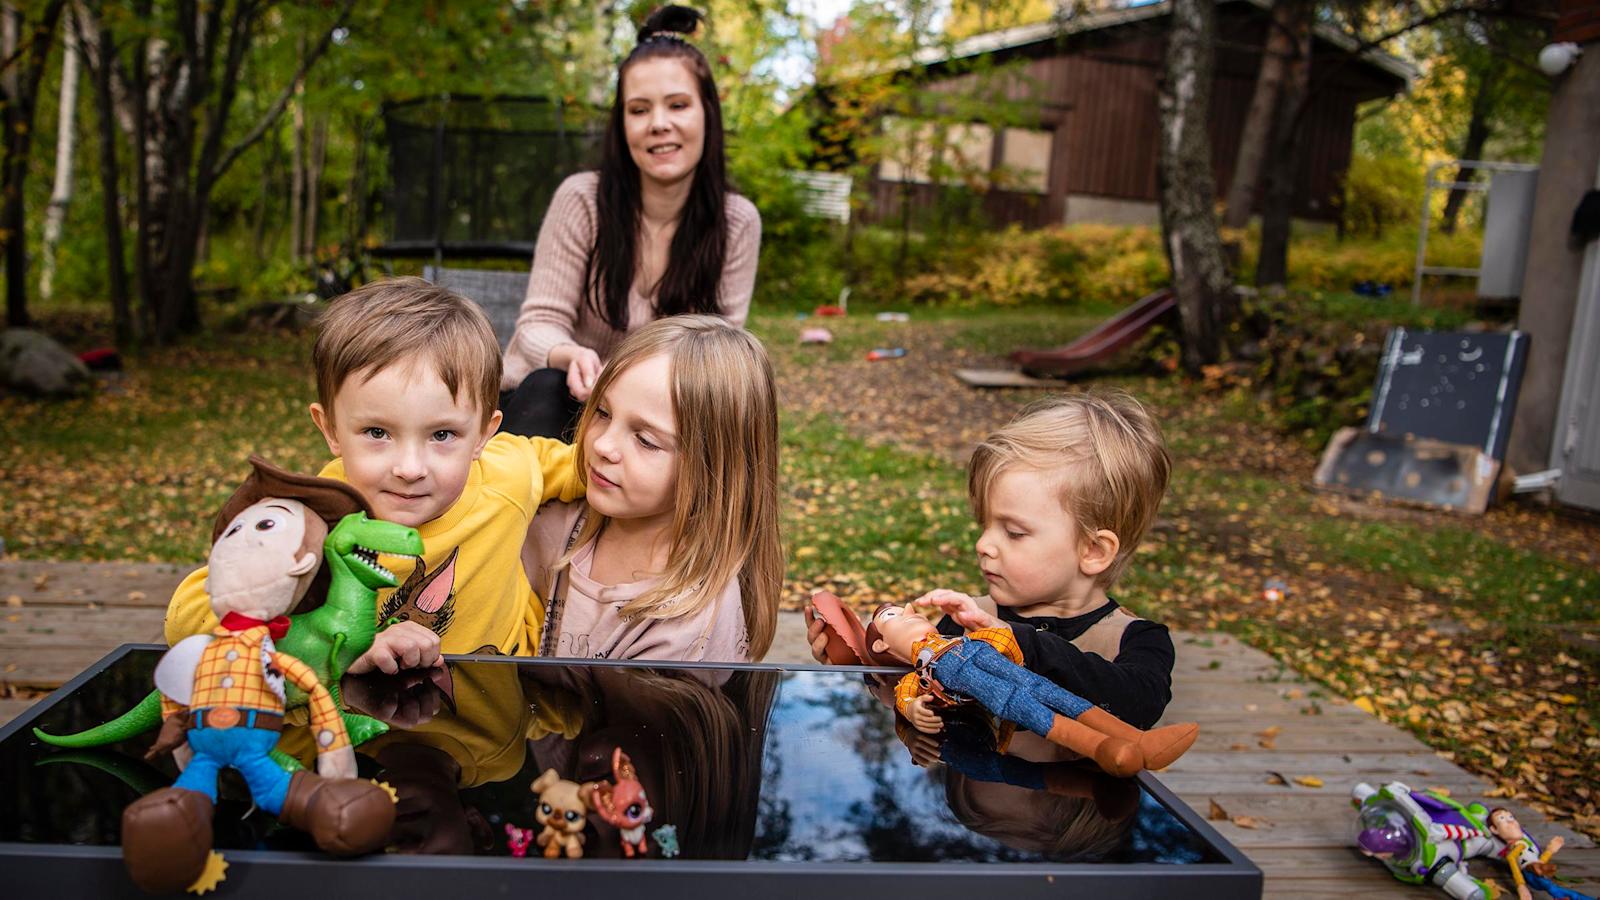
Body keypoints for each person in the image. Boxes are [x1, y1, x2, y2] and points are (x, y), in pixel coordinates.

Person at [165, 277, 585, 668]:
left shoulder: (508, 470)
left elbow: (596, 467)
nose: (409, 468)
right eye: (377, 432)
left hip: (498, 717)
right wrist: (339, 646)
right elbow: (187, 617)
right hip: (363, 729)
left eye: (442, 434)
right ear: (330, 429)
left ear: (483, 435)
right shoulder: (314, 519)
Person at [806, 391, 1178, 729]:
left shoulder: (1135, 641)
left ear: (1093, 551)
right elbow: (920, 684)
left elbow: (1137, 704)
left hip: (1084, 803)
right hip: (967, 801)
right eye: (984, 525)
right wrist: (865, 659)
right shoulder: (963, 623)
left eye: (1014, 532)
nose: (984, 544)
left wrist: (1019, 645)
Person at [500, 5, 761, 439]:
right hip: (555, 399)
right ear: (622, 126)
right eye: (639, 110)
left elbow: (719, 349)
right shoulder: (581, 199)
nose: (659, 124)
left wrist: (634, 389)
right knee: (548, 388)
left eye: (677, 105)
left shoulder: (737, 223)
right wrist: (570, 355)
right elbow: (538, 323)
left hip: (655, 411)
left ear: (707, 115)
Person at [522, 315, 781, 662]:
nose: (603, 446)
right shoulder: (549, 516)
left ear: (713, 468)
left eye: (645, 440)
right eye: (601, 412)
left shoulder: (688, 631)